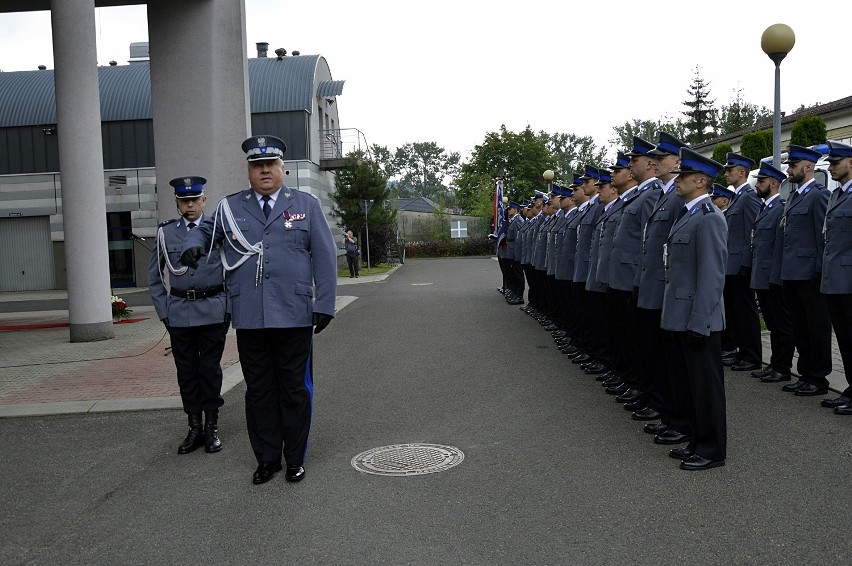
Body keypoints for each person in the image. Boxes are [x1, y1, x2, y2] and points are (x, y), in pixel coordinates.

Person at [181, 135, 337, 485]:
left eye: (271, 164)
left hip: (295, 314)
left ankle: (295, 458)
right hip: (250, 315)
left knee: (295, 389)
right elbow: (205, 231)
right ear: (249, 170)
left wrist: (325, 303)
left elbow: (324, 257)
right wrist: (192, 246)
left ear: (283, 168)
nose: (264, 170)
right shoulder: (230, 208)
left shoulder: (306, 205)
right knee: (259, 390)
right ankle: (267, 459)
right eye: (257, 165)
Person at [149, 175, 229, 455]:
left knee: (210, 370)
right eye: (185, 201)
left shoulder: (215, 229)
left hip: (212, 309)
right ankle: (193, 426)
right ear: (177, 203)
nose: (190, 205)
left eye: (195, 199)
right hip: (180, 313)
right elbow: (155, 277)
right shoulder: (166, 233)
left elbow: (230, 269)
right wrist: (164, 312)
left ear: (204, 200)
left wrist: (227, 308)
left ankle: (211, 427)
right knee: (186, 372)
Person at [661, 148, 728, 471]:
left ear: (700, 181)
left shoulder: (709, 219)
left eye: (683, 176)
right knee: (691, 385)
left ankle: (712, 449)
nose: (677, 181)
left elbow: (712, 278)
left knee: (706, 388)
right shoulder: (687, 215)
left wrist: (699, 323)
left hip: (700, 319)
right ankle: (696, 440)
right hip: (681, 315)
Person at [779, 144, 832, 398]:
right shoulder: (795, 195)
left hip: (810, 274)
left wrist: (819, 271)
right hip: (792, 272)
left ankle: (818, 377)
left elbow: (823, 236)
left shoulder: (819, 195)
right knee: (800, 327)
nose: (789, 170)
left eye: (793, 165)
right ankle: (806, 373)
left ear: (808, 167)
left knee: (816, 327)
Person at [749, 163, 794, 384]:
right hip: (762, 275)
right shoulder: (764, 207)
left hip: (773, 277)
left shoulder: (779, 208)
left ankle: (783, 367)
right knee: (773, 323)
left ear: (774, 184)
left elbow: (780, 246)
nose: (758, 185)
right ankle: (775, 363)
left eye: (762, 181)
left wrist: (776, 276)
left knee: (781, 324)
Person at [721, 153, 763, 372]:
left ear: (742, 172)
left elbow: (751, 233)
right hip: (732, 264)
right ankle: (742, 352)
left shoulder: (748, 196)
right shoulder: (737, 197)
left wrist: (747, 264)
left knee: (746, 312)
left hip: (740, 266)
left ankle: (752, 355)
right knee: (736, 312)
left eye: (730, 170)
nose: (726, 173)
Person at [821, 140, 852, 414]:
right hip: (835, 280)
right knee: (844, 338)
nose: (831, 168)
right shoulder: (836, 195)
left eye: (835, 163)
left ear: (850, 163)